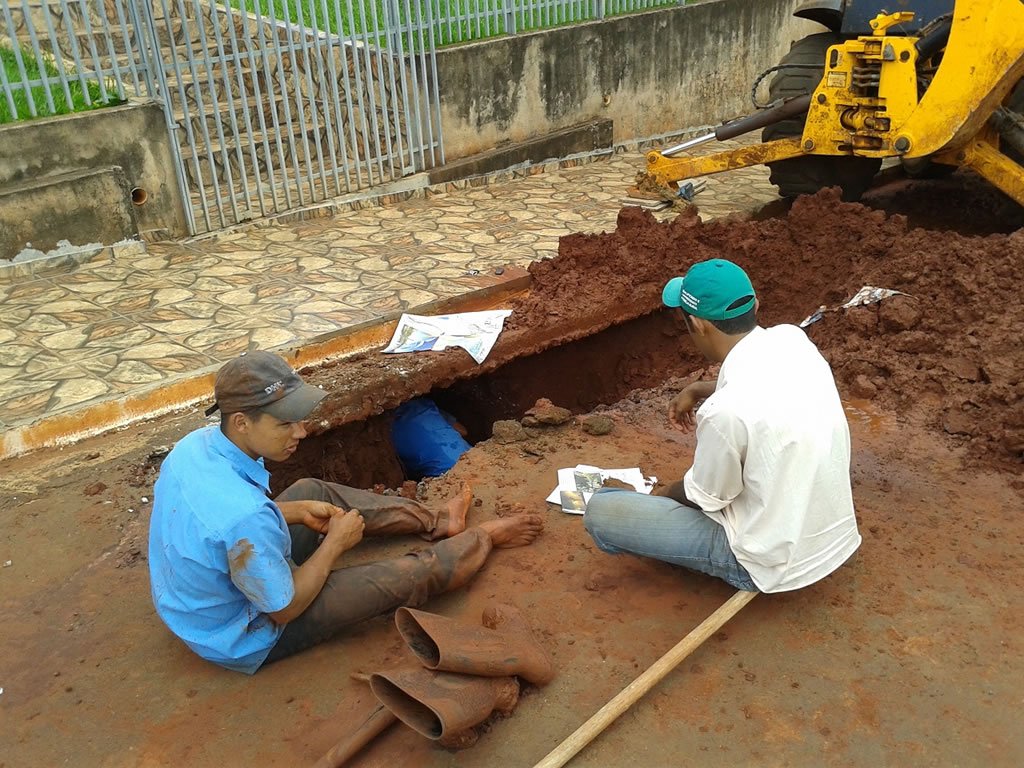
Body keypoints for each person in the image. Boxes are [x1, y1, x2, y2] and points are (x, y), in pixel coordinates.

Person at [147, 351, 543, 674]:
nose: (300, 432)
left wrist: (295, 509)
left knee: (311, 492)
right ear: (241, 422)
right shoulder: (243, 516)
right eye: (285, 423)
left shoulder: (197, 446)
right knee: (397, 577)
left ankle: (439, 520)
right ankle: (483, 539)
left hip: (198, 598)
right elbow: (285, 609)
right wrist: (334, 545)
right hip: (244, 631)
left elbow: (218, 528)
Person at [584, 258, 861, 593]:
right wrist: (701, 388)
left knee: (601, 511)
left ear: (699, 325)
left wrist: (660, 498)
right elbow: (767, 389)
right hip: (832, 538)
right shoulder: (793, 340)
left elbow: (704, 498)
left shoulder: (723, 413)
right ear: (755, 304)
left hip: (765, 564)